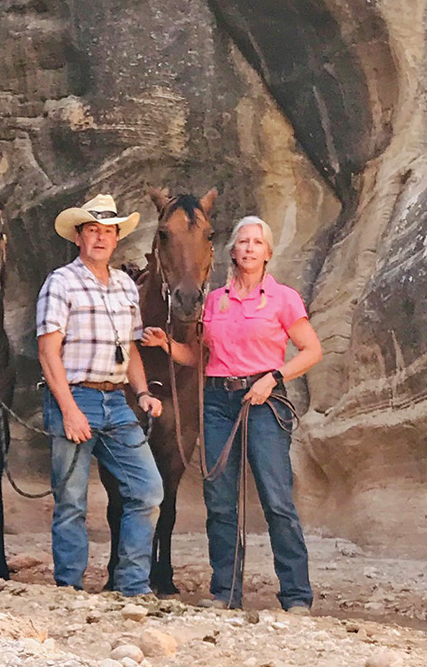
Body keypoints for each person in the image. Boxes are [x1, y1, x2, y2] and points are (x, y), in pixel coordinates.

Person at [142, 215, 322, 612]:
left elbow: (312, 351)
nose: (249, 248)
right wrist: (167, 345)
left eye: (257, 242)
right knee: (220, 500)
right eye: (243, 241)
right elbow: (199, 356)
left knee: (276, 499)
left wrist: (273, 377)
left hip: (264, 400)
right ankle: (225, 591)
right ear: (232, 250)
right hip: (218, 401)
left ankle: (296, 596)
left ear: (268, 252)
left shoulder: (283, 298)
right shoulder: (213, 302)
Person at [37, 192, 164, 594]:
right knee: (72, 500)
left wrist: (142, 392)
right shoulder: (61, 283)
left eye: (108, 231)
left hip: (117, 401)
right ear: (79, 236)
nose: (101, 238)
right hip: (76, 396)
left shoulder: (126, 286)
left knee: (147, 490)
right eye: (93, 230)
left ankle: (132, 585)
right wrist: (69, 410)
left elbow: (131, 348)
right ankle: (69, 588)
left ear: (116, 238)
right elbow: (47, 351)